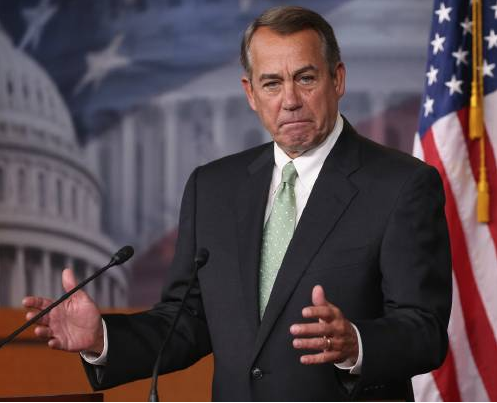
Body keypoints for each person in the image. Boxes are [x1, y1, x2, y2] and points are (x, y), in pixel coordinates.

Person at [23, 6, 451, 401]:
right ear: (250, 93)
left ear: (337, 79)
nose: (290, 100)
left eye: (305, 78)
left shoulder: (402, 185)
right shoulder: (212, 188)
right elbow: (186, 321)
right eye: (272, 83)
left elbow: (425, 331)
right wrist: (102, 338)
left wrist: (356, 343)